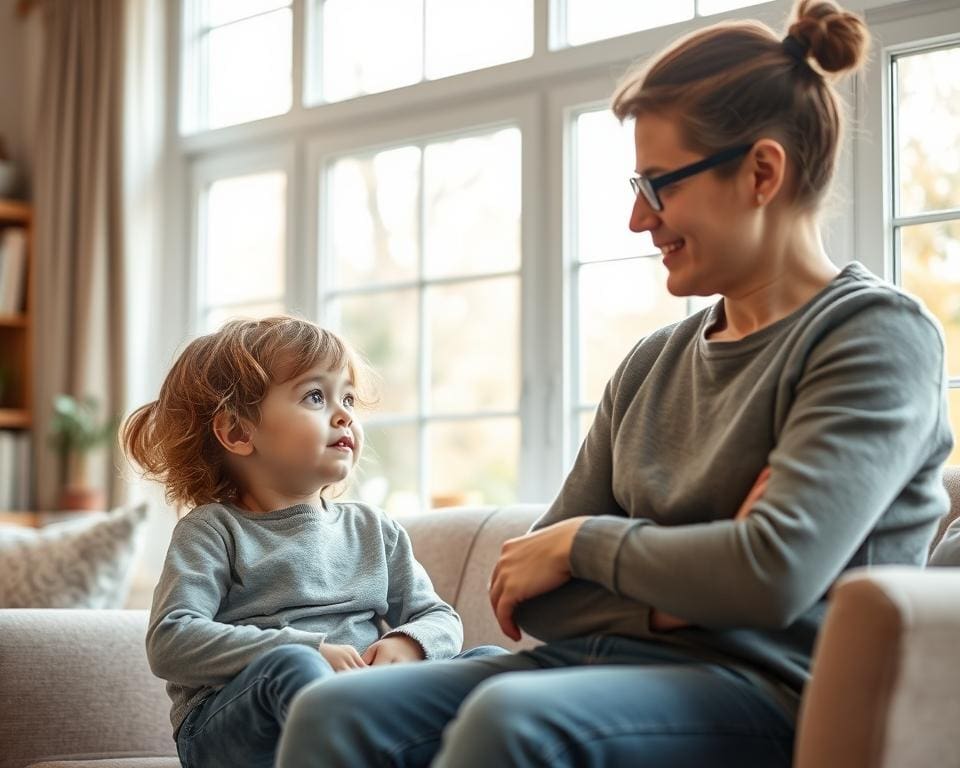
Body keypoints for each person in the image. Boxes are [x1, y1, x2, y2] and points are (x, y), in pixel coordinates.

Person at [273, 1, 955, 766]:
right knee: (337, 711)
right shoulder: (650, 364)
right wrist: (701, 572)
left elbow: (769, 574)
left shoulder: (872, 336)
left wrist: (586, 543)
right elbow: (531, 595)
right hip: (596, 666)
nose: (637, 218)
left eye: (660, 185)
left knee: (512, 722)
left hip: (770, 691)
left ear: (762, 172)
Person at [122, 316, 502, 768]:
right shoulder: (213, 530)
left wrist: (410, 644)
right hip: (233, 727)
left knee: (492, 664)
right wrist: (307, 650)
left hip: (362, 705)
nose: (344, 414)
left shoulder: (374, 530)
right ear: (239, 433)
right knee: (293, 669)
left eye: (347, 397)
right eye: (315, 397)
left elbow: (438, 616)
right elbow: (171, 639)